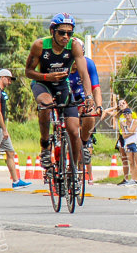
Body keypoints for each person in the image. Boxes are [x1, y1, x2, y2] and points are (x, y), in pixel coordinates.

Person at [26, 13, 93, 173]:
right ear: (52, 31)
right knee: (45, 105)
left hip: (62, 86)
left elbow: (84, 74)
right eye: (61, 32)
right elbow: (28, 71)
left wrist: (89, 96)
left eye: (69, 33)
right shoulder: (40, 45)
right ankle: (45, 144)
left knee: (73, 129)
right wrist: (46, 76)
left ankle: (74, 171)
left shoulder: (74, 45)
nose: (65, 36)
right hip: (43, 83)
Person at [68, 55, 103, 168]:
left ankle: (83, 143)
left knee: (89, 114)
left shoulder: (88, 64)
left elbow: (96, 88)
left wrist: (99, 106)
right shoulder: (63, 62)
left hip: (80, 95)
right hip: (65, 95)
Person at [118, 104, 137, 185]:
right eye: (125, 114)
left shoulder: (135, 121)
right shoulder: (123, 123)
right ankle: (134, 178)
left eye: (128, 114)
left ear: (131, 114)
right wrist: (127, 130)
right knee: (131, 162)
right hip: (128, 143)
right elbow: (124, 135)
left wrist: (127, 128)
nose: (127, 115)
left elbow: (132, 131)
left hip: (135, 142)